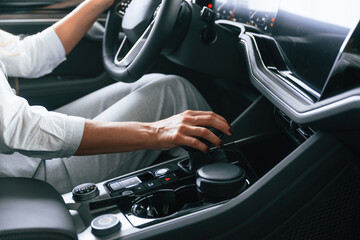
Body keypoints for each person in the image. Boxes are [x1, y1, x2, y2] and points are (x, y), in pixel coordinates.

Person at [0, 0, 232, 194]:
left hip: (18, 155)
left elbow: (29, 55)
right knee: (174, 95)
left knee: (160, 85)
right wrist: (156, 132)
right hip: (28, 172)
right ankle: (231, 190)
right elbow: (21, 130)